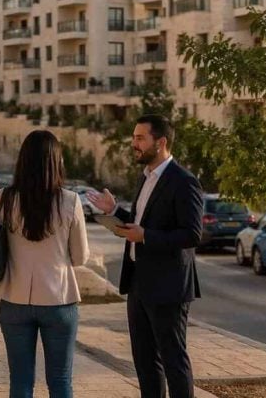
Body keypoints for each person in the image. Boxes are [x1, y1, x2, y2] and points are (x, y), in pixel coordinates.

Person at [88, 114, 203, 398]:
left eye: (140, 138)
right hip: (139, 283)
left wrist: (147, 237)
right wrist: (115, 213)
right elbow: (141, 224)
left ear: (160, 142)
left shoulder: (183, 181)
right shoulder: (145, 178)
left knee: (173, 360)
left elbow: (191, 234)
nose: (133, 144)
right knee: (145, 361)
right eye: (133, 137)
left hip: (168, 286)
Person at [0, 130, 90, 398]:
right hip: (59, 300)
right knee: (60, 380)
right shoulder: (69, 201)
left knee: (20, 382)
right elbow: (80, 257)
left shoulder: (4, 198)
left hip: (14, 300)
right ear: (56, 162)